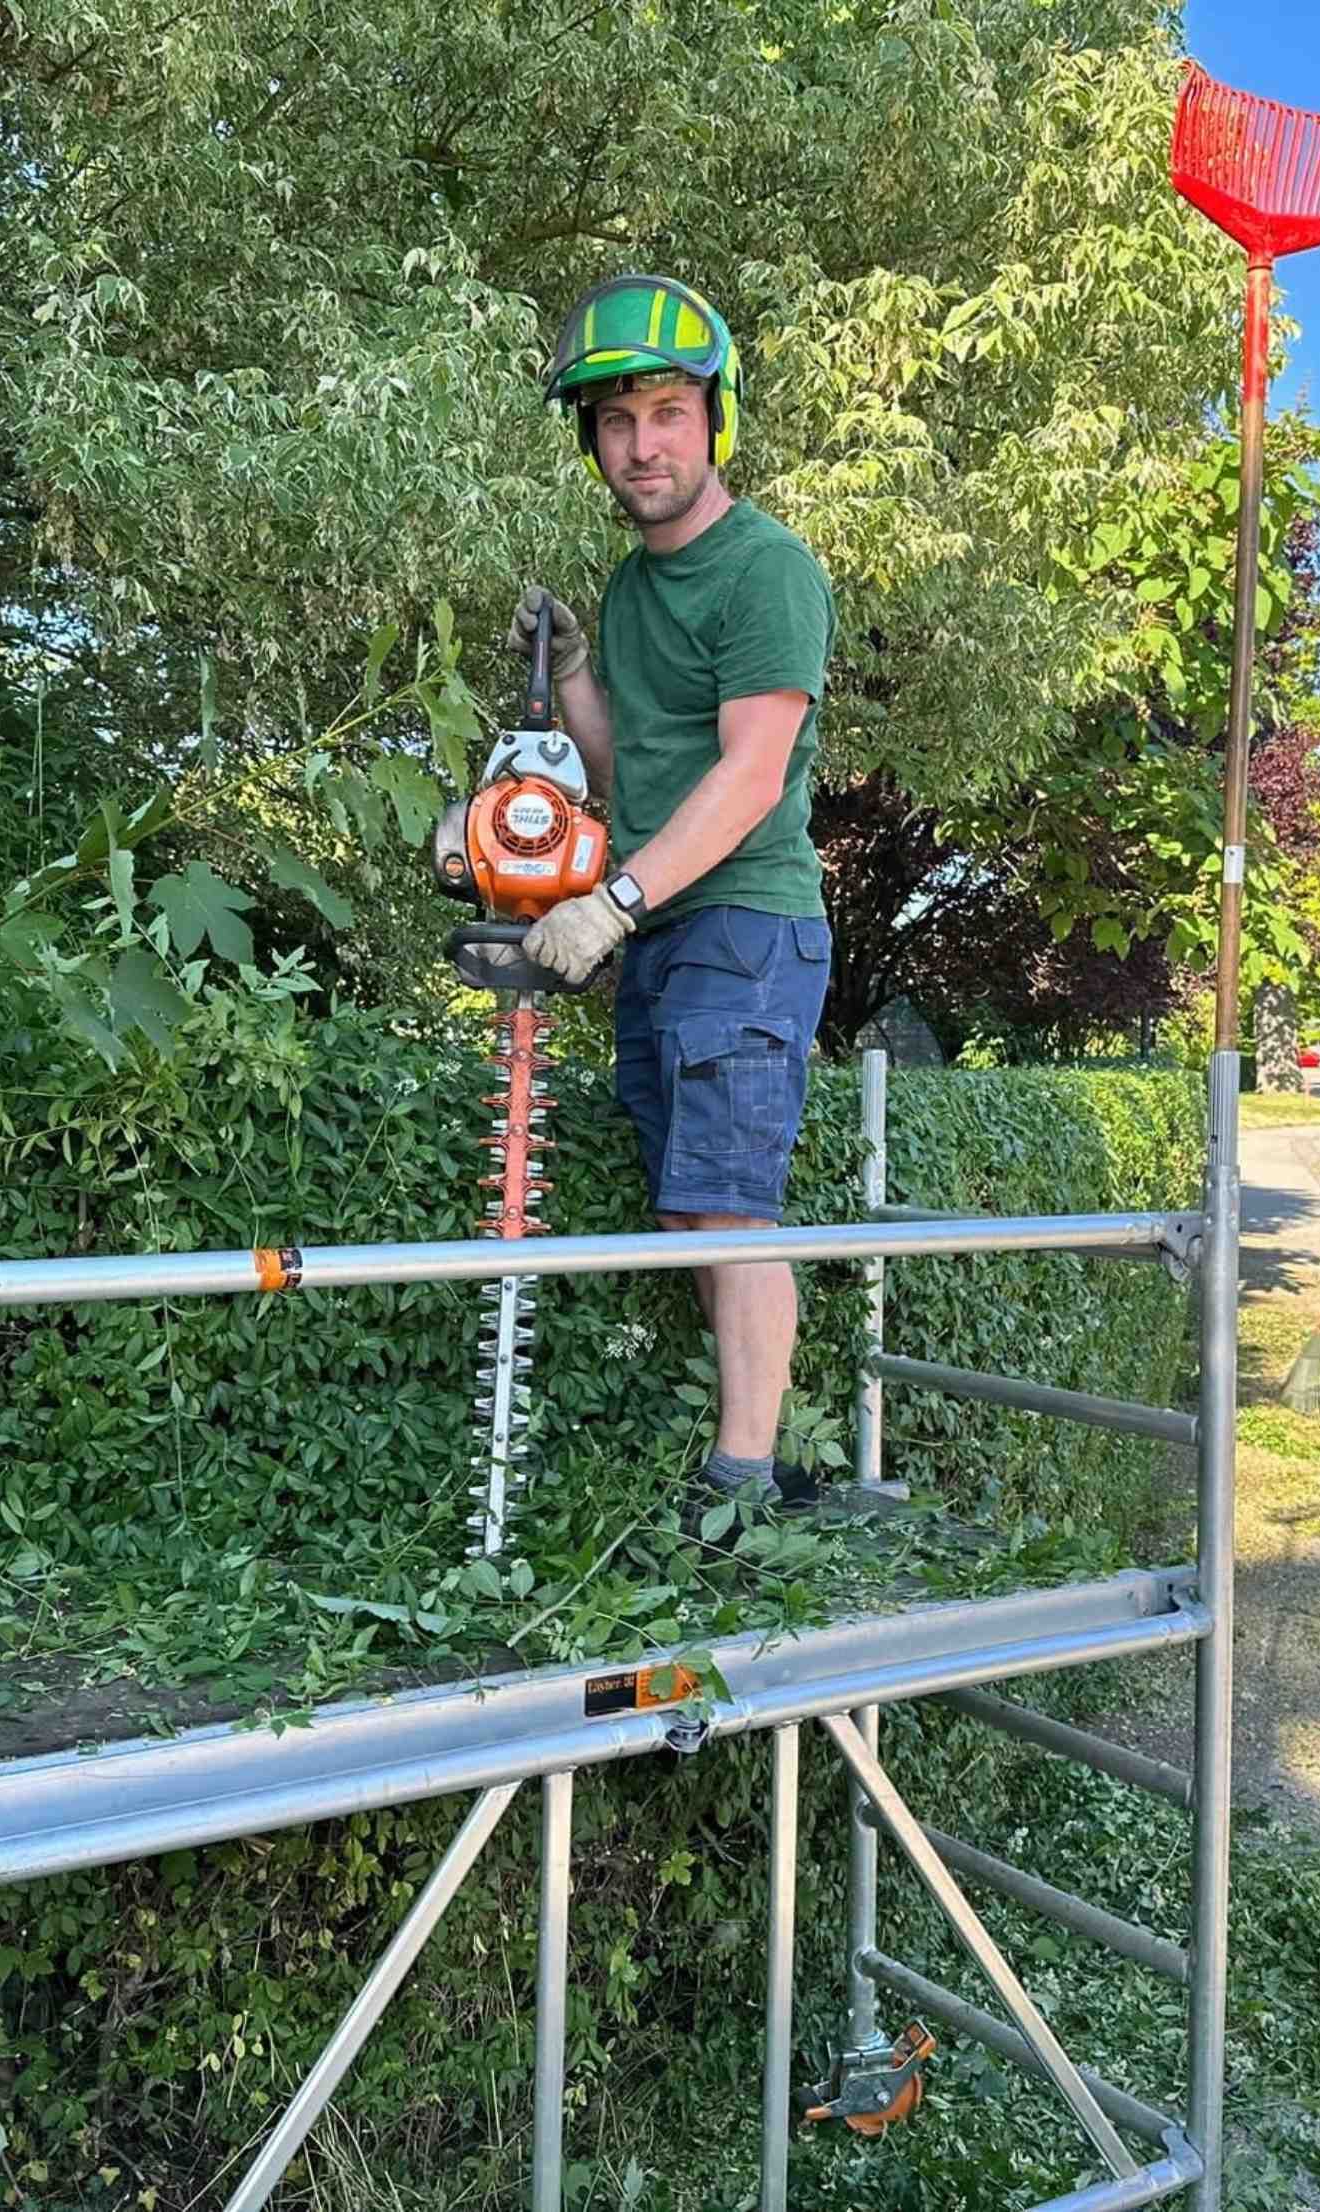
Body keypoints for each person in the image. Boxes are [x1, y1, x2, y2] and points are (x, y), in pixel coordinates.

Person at [508, 273, 835, 1512]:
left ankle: (743, 1480)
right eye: (614, 420)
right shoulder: (632, 586)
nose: (641, 443)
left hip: (742, 923)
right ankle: (755, 1460)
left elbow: (750, 776)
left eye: (666, 413)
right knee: (691, 1206)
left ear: (716, 421)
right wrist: (574, 670)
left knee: (725, 1206)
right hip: (659, 924)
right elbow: (624, 765)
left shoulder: (767, 571)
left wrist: (616, 901)